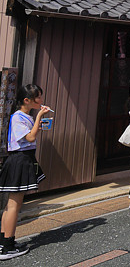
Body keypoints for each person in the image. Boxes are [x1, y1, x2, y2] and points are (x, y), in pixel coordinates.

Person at [0, 84, 52, 259]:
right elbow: (30, 137)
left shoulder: (24, 116)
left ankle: (4, 241)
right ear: (27, 100)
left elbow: (31, 136)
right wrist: (39, 117)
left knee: (12, 204)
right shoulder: (18, 117)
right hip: (19, 160)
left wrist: (39, 121)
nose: (41, 101)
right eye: (38, 97)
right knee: (14, 205)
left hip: (22, 159)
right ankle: (7, 246)